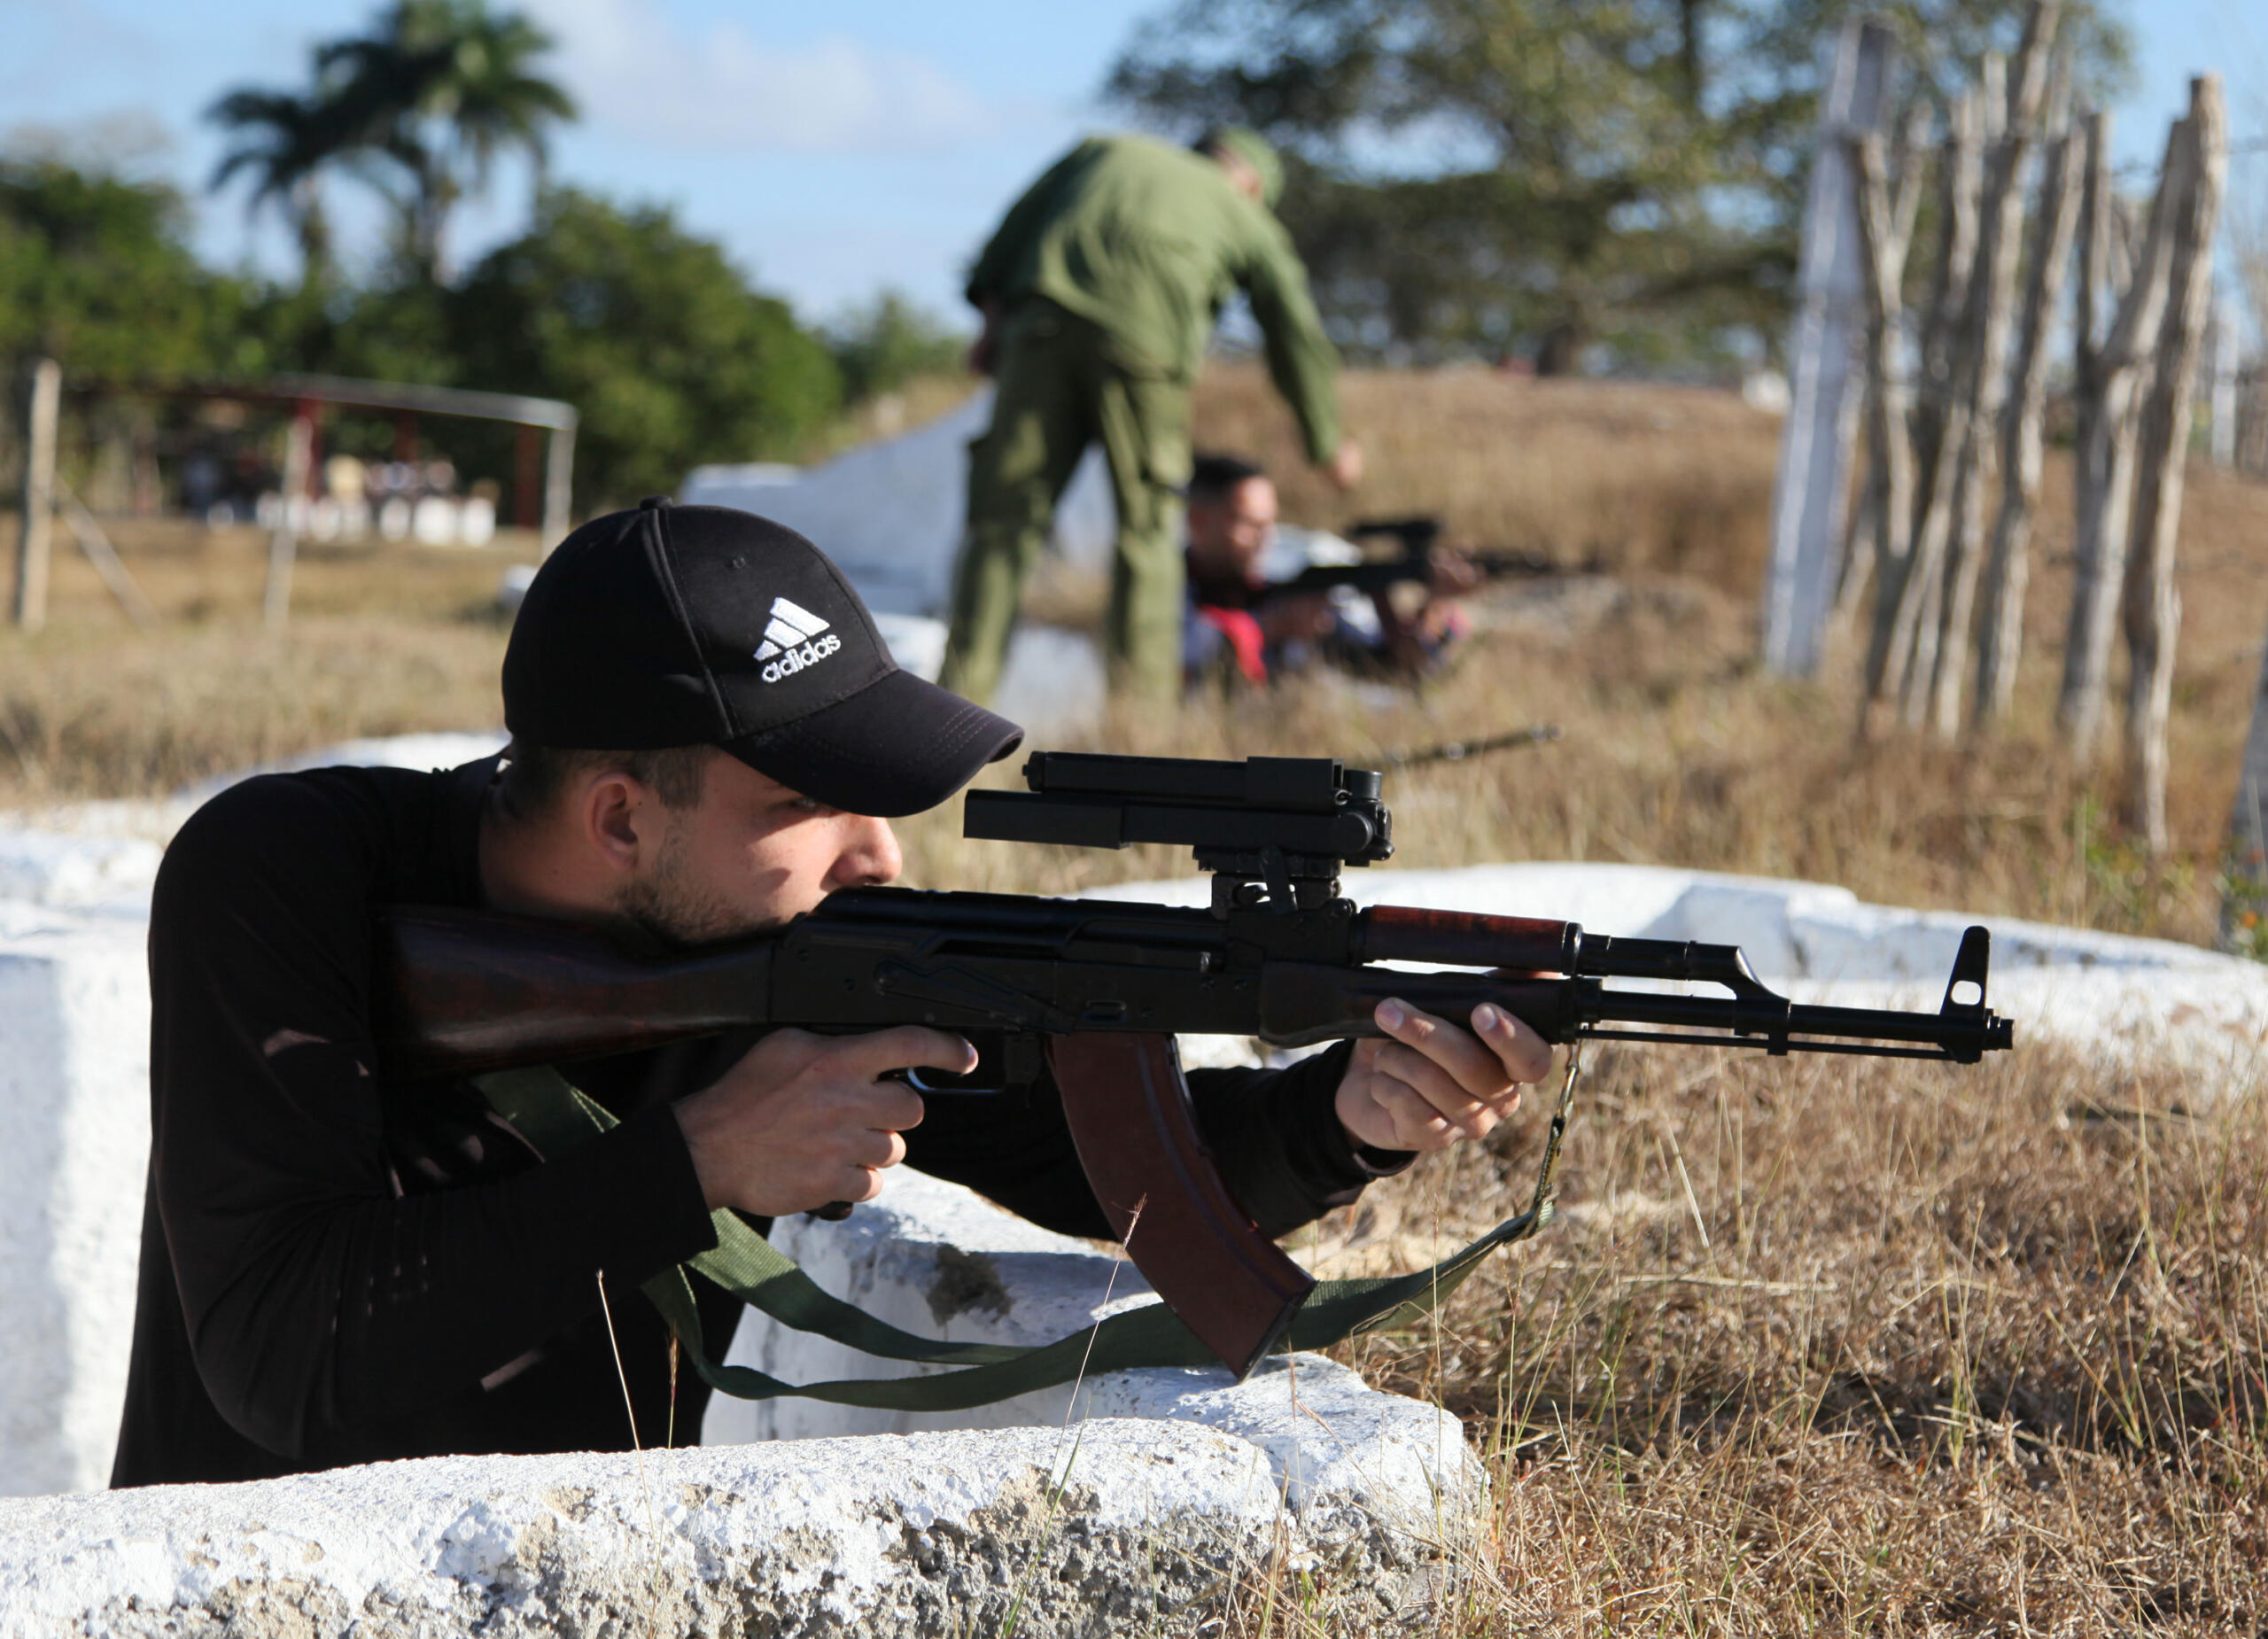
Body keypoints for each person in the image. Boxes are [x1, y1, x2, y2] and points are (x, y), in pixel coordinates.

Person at [111, 499, 1548, 1488]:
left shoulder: (806, 939)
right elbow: (276, 1353)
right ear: (621, 820)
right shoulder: (288, 872)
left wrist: (1352, 1116)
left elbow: (1113, 1174)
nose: (881, 855)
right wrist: (701, 1161)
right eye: (814, 804)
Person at [939, 127, 1363, 708]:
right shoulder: (1242, 212)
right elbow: (1294, 333)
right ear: (1253, 185)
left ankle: (954, 707)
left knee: (1002, 525)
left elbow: (1001, 250)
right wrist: (1327, 443)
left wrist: (991, 333)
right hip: (1144, 349)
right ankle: (1140, 718)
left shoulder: (1102, 151)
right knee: (1148, 529)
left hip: (1039, 334)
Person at [1182, 454, 1477, 687]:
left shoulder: (1298, 565)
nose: (1265, 538)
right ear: (1198, 521)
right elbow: (1181, 668)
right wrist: (1269, 629)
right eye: (1249, 525)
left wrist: (1434, 604)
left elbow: (1399, 668)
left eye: (1269, 523)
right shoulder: (1169, 588)